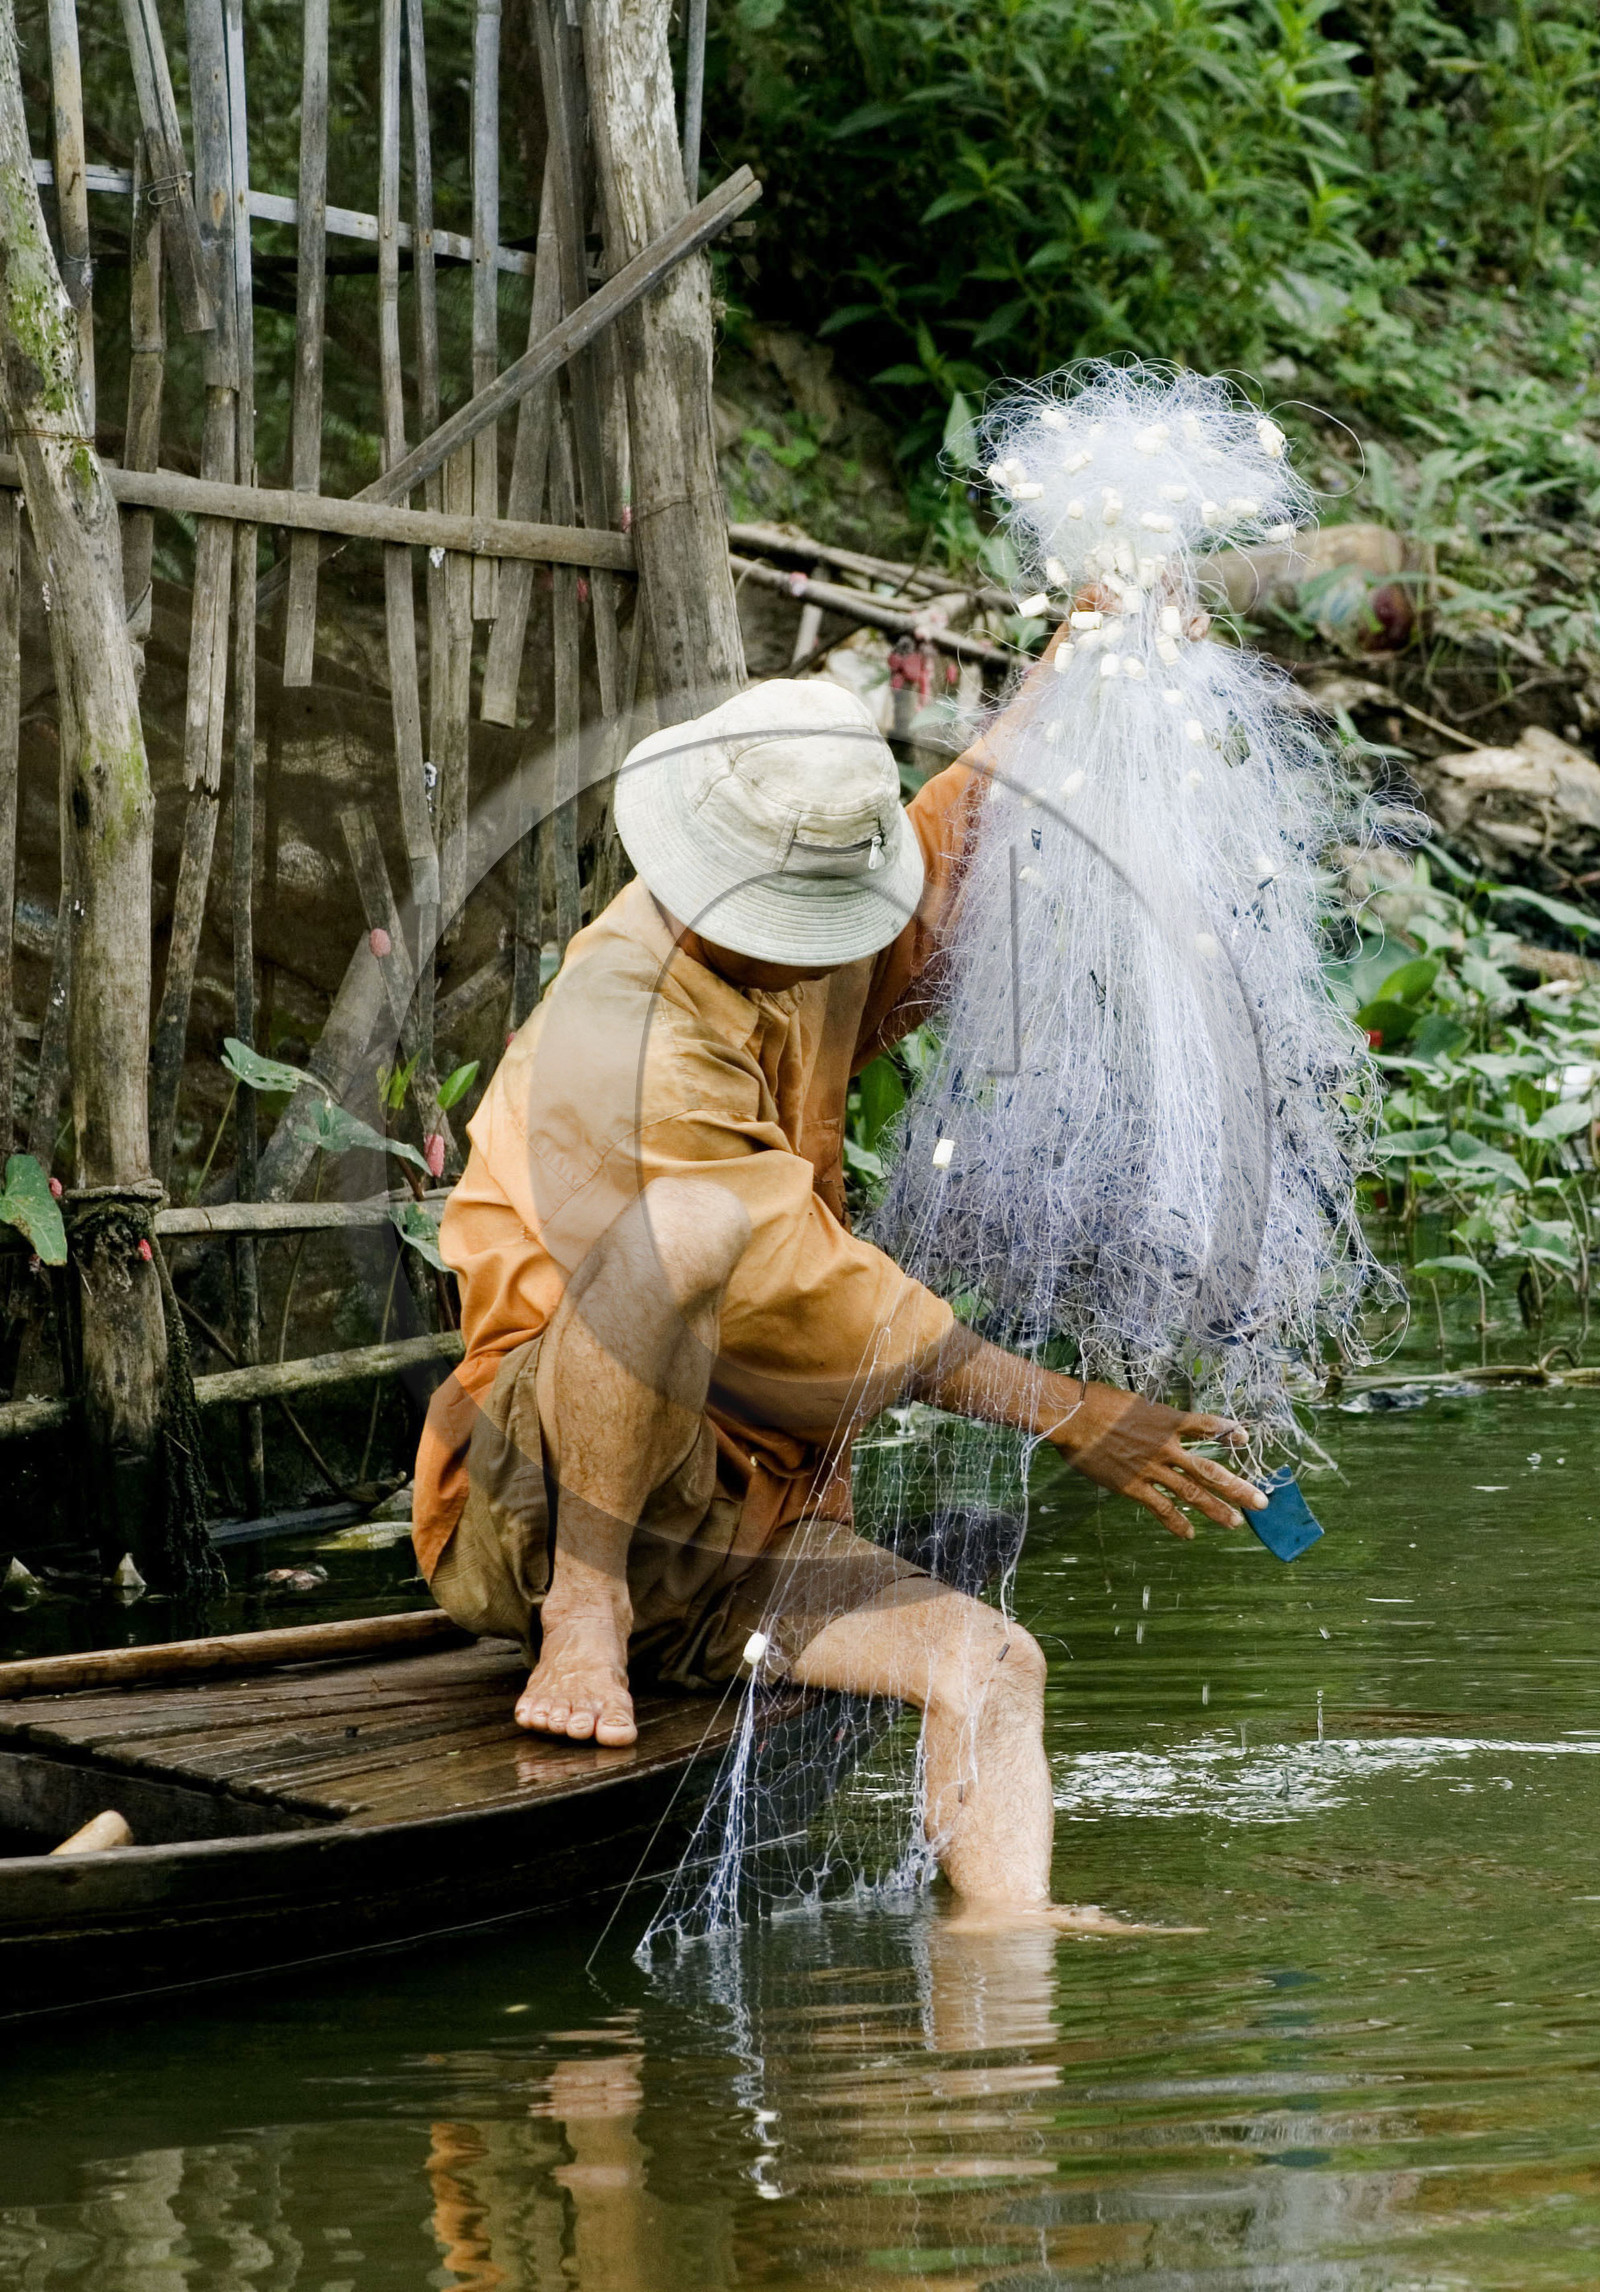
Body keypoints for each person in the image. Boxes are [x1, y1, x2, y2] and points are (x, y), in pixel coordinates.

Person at [413, 676, 1266, 1925]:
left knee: (990, 1664)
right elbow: (785, 1276)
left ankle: (1003, 1962)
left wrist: (1081, 663)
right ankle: (584, 1611)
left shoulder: (801, 932)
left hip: (744, 1528)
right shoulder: (623, 1028)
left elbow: (946, 839)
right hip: (537, 1507)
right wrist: (1065, 1410)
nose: (836, 948)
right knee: (686, 1229)